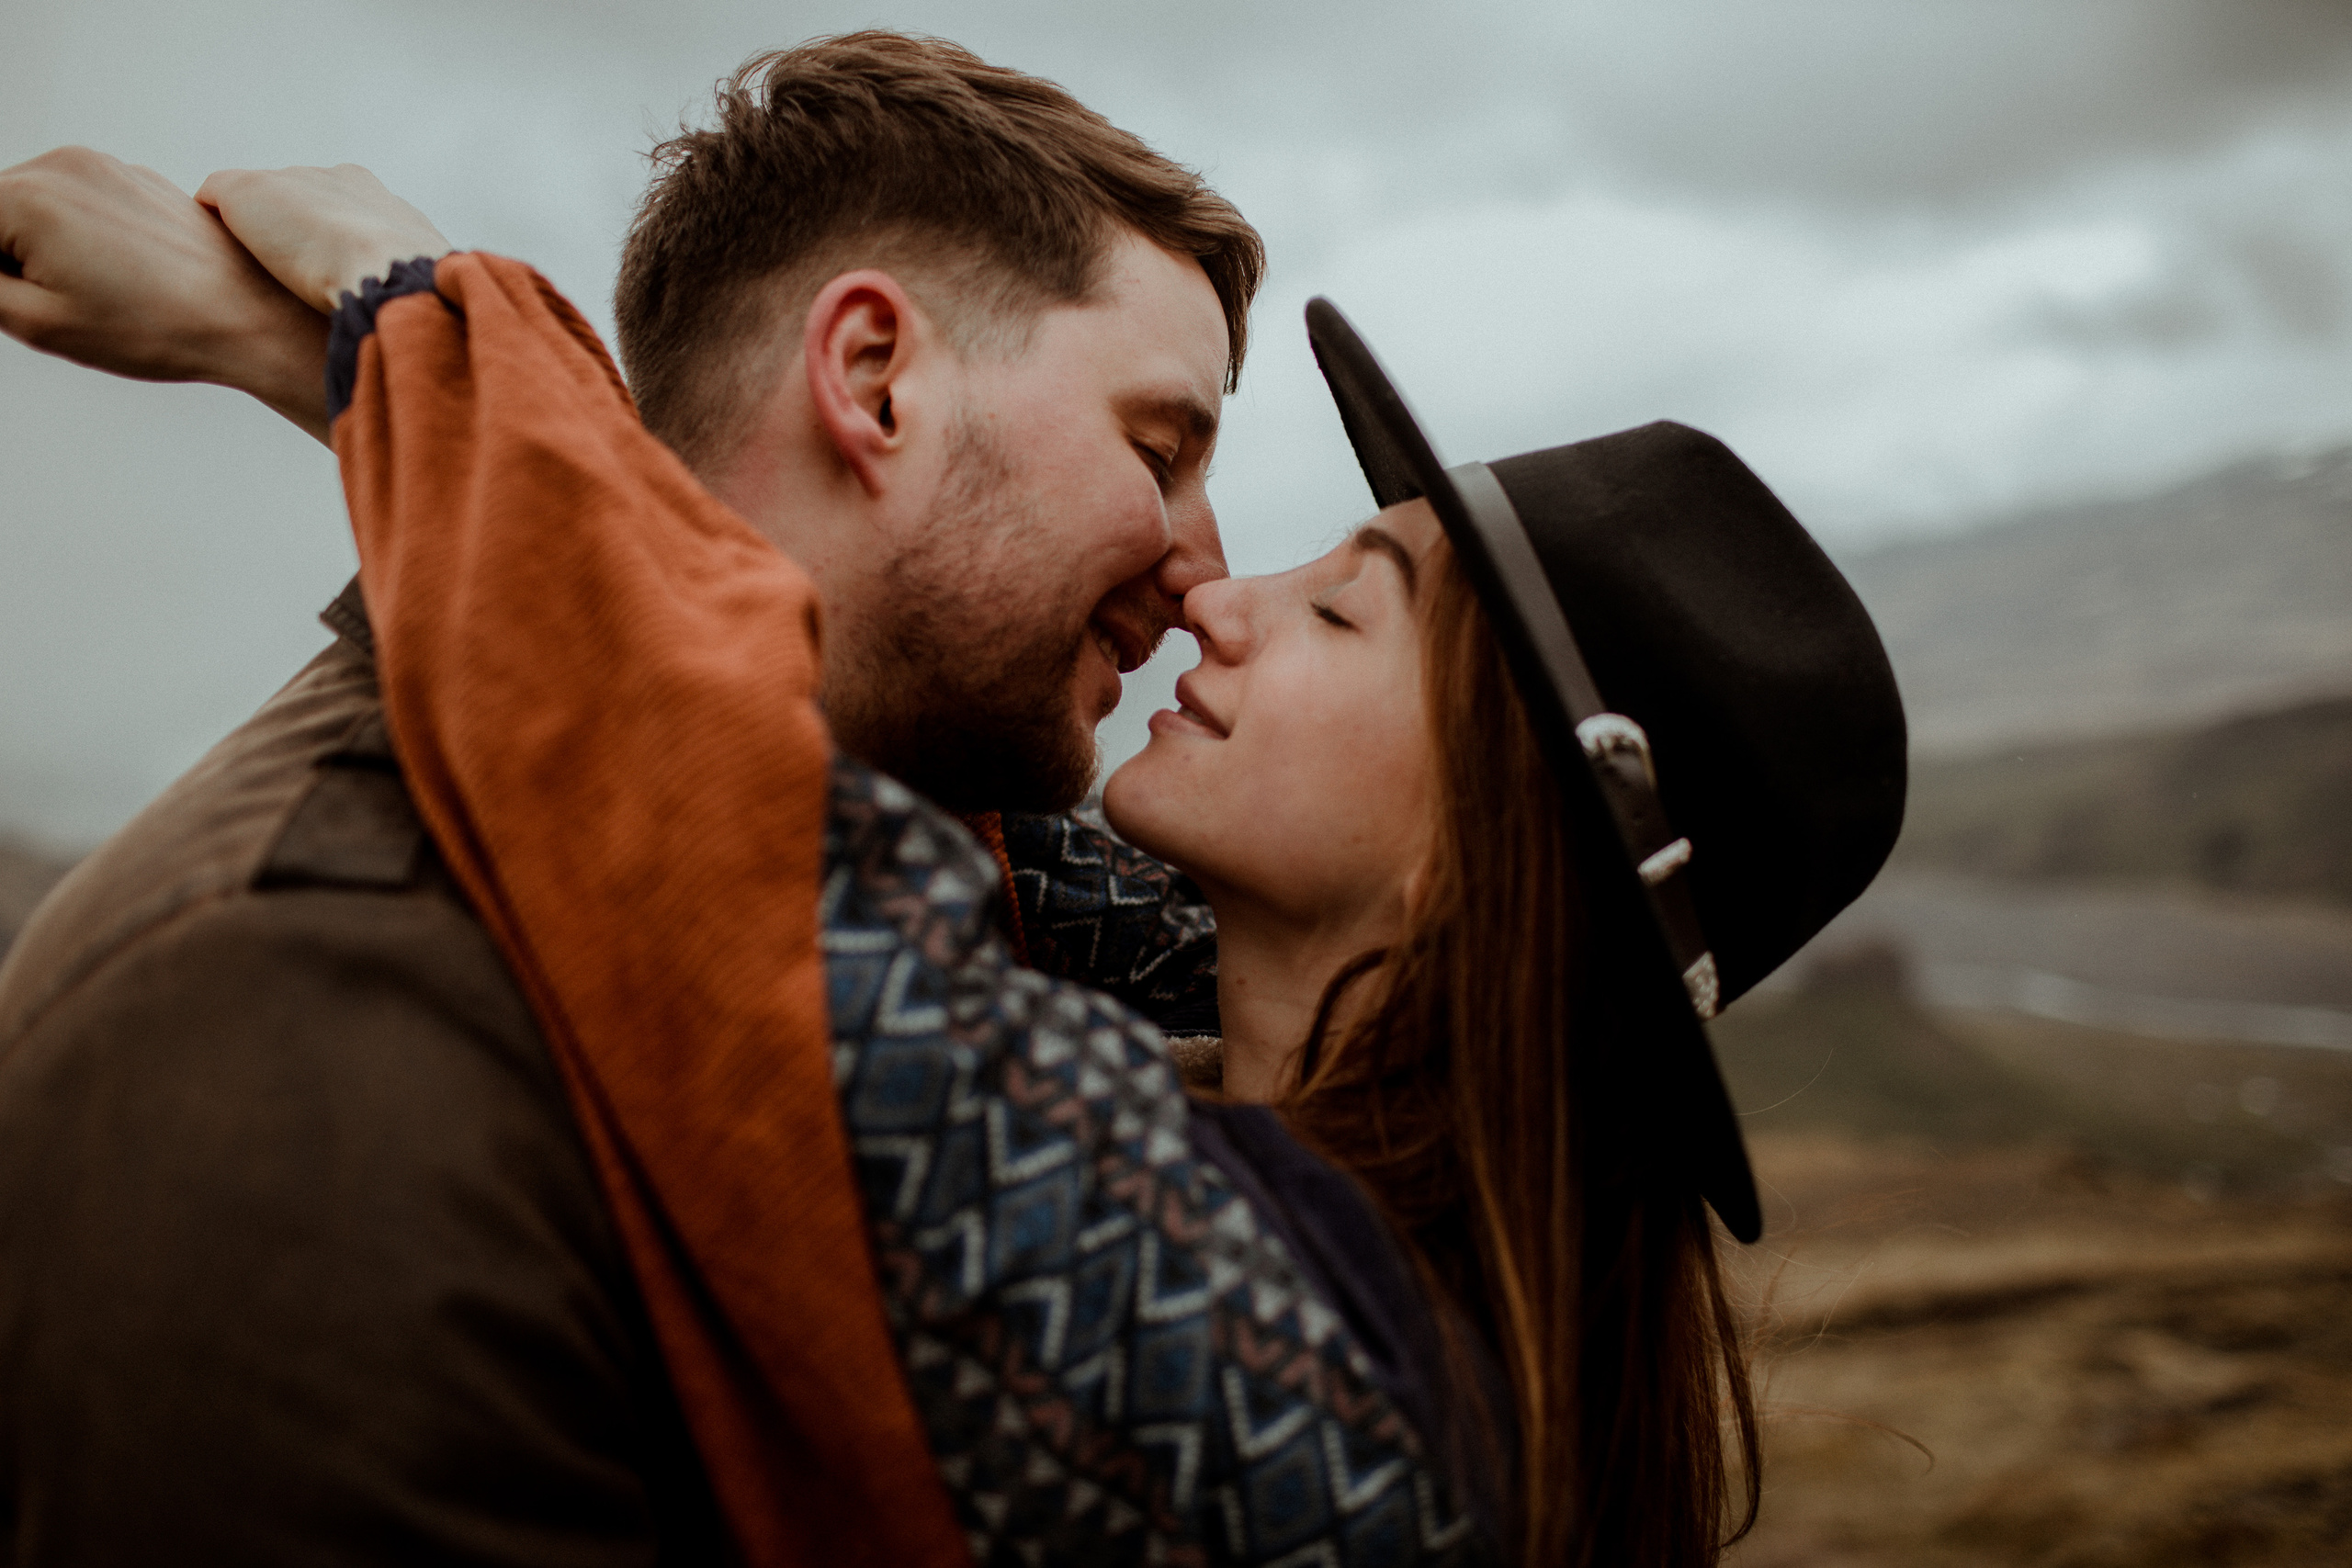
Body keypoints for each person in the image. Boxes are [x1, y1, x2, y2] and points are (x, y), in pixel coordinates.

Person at [176, 157, 1902, 1565]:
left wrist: (409, 318)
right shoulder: (1212, 1031)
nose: (1218, 597)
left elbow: (755, 863)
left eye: (1337, 605)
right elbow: (885, 743)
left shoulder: (1320, 1386)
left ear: (1482, 838)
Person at [0, 33, 1259, 1566]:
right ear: (873, 382)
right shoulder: (295, 994)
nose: (1208, 575)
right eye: (1159, 446)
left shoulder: (956, 893)